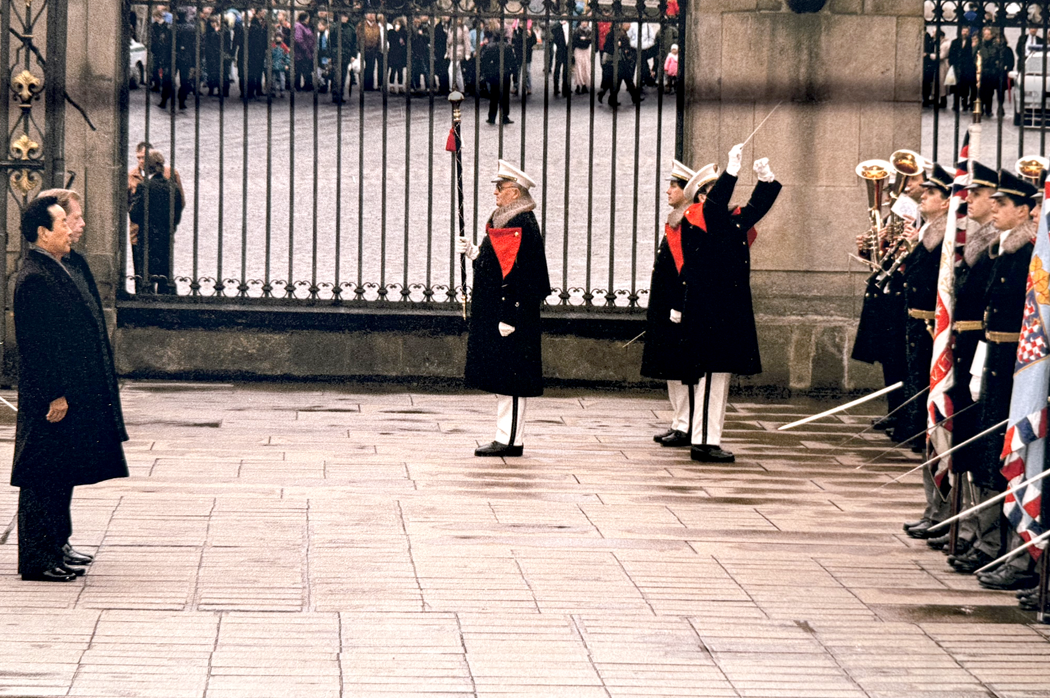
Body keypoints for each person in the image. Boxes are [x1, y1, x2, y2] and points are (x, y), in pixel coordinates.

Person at [12, 196, 128, 582]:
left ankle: (55, 546)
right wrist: (55, 393)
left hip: (63, 394)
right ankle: (37, 558)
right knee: (42, 476)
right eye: (63, 222)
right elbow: (37, 345)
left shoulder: (55, 267)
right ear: (43, 232)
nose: (69, 229)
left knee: (59, 474)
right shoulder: (33, 277)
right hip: (49, 398)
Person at [680, 144, 782, 463]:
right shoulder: (698, 217)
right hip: (710, 312)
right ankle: (703, 442)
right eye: (714, 191)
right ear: (702, 196)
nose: (721, 196)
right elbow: (714, 208)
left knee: (718, 378)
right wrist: (732, 171)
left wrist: (766, 180)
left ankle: (709, 438)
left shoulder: (726, 221)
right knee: (711, 377)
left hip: (726, 311)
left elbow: (754, 209)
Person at [969, 170, 1041, 591]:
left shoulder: (1031, 253)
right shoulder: (1004, 250)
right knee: (989, 454)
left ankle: (1016, 553)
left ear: (1026, 211)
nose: (993, 209)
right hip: (996, 364)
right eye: (992, 202)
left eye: (1002, 204)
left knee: (1016, 460)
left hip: (1020, 373)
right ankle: (993, 542)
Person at [933, 161, 1003, 568]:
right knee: (971, 448)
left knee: (985, 451)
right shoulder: (985, 243)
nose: (977, 203)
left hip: (988, 358)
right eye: (977, 196)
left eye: (982, 196)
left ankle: (987, 536)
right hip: (970, 355)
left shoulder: (1004, 248)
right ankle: (975, 529)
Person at [457, 160, 551, 457]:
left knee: (513, 378)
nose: (495, 193)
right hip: (502, 311)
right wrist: (476, 254)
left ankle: (510, 440)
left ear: (514, 191)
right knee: (504, 376)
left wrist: (510, 313)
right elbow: (498, 263)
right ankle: (505, 435)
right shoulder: (505, 218)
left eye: (500, 188)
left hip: (512, 313)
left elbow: (521, 274)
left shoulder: (520, 222)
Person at [898, 164, 952, 539]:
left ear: (948, 199)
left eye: (932, 192)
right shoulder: (930, 232)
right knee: (925, 424)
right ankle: (932, 509)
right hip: (919, 331)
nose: (924, 195)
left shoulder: (948, 237)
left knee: (938, 426)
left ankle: (942, 512)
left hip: (934, 332)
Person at [641, 159, 698, 448]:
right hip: (666, 307)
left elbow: (684, 268)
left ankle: (687, 425)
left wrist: (678, 304)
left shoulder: (687, 221)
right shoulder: (677, 219)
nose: (668, 191)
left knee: (682, 369)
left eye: (673, 186)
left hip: (678, 307)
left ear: (687, 191)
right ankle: (679, 421)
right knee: (671, 369)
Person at [129, 150, 183, 295]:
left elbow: (135, 215)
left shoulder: (144, 186)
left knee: (145, 279)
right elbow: (177, 214)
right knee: (165, 277)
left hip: (147, 238)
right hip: (166, 238)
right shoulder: (173, 187)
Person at [480, 25, 514, 125]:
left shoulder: (490, 46)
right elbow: (512, 61)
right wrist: (512, 71)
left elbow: (484, 60)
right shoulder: (507, 46)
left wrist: (485, 72)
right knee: (505, 96)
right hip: (505, 73)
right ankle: (504, 116)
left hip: (494, 73)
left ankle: (491, 117)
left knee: (494, 96)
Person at [949, 27, 977, 111]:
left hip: (968, 68)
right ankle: (956, 104)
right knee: (956, 86)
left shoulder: (970, 42)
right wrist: (953, 64)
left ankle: (967, 104)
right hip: (957, 67)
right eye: (963, 31)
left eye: (966, 31)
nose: (964, 33)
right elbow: (951, 54)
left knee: (967, 87)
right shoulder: (955, 42)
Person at [358, 13, 384, 91]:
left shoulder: (377, 26)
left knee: (371, 67)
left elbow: (379, 38)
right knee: (364, 68)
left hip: (373, 50)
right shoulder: (361, 25)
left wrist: (379, 49)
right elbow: (358, 38)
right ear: (366, 15)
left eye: (373, 14)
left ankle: (370, 85)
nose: (371, 16)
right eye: (369, 14)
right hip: (364, 49)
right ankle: (364, 85)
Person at [293, 12, 315, 92]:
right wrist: (305, 49)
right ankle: (298, 86)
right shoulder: (299, 26)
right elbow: (298, 39)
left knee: (307, 69)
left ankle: (307, 85)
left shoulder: (305, 26)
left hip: (307, 52)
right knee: (300, 69)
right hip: (301, 53)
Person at [549, 18, 570, 97]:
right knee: (557, 69)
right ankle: (556, 87)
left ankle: (565, 88)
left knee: (566, 70)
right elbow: (553, 30)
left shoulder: (569, 26)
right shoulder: (557, 27)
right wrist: (560, 23)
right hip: (560, 49)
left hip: (568, 50)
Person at [387, 16, 408, 94]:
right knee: (393, 70)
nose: (397, 25)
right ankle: (391, 85)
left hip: (401, 54)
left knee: (400, 71)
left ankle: (400, 86)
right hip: (393, 53)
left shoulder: (404, 32)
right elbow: (390, 39)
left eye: (398, 24)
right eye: (396, 24)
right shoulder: (391, 32)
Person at [571, 22, 592, 94]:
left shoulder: (590, 30)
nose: (584, 23)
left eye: (585, 22)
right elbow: (574, 41)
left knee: (586, 67)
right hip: (579, 50)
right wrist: (584, 41)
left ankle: (585, 84)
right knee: (579, 67)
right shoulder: (576, 31)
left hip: (586, 50)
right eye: (583, 21)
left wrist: (584, 40)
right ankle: (579, 84)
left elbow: (590, 41)